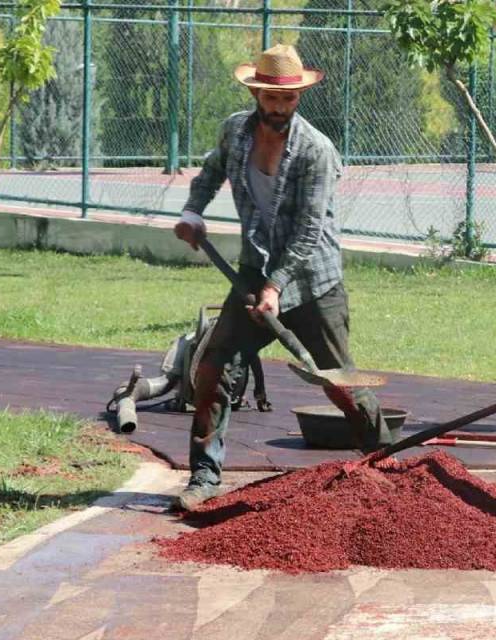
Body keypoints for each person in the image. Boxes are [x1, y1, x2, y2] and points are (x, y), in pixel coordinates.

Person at [171, 44, 395, 510]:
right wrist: (193, 212)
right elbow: (211, 172)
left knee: (339, 380)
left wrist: (276, 287)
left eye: (288, 99)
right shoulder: (235, 132)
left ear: (298, 97)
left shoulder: (316, 150)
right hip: (255, 270)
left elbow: (309, 230)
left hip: (313, 281)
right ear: (256, 93)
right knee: (213, 368)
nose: (279, 107)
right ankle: (204, 477)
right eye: (271, 98)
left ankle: (386, 464)